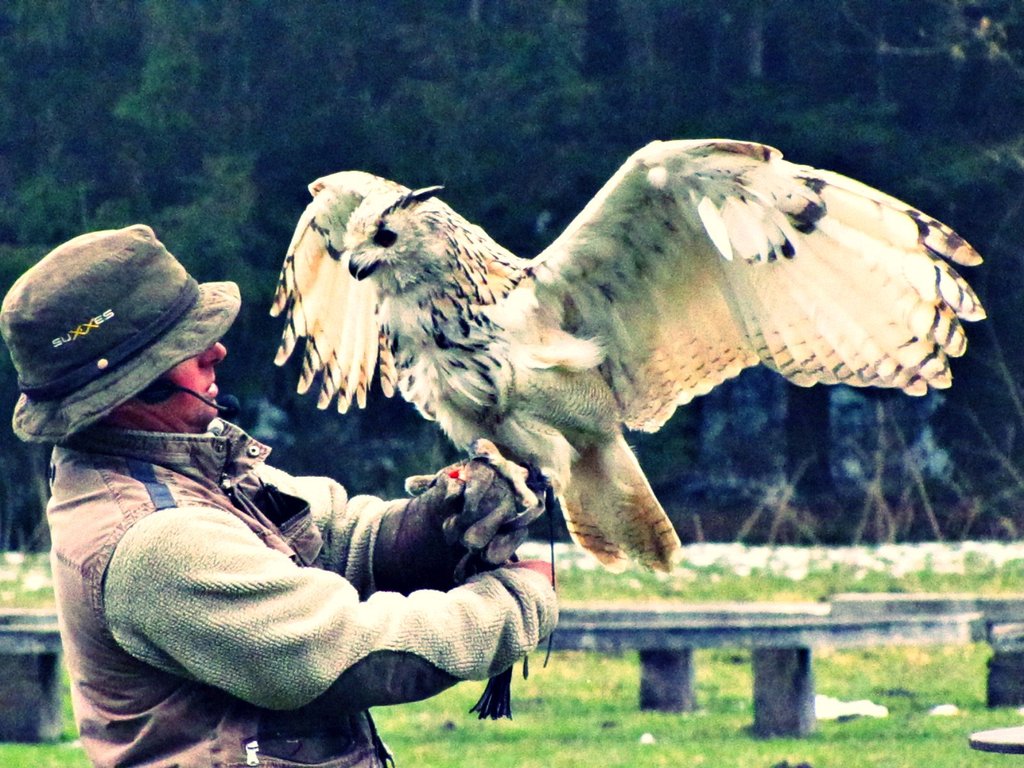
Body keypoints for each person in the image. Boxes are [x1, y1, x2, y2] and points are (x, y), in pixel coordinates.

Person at [0, 224, 558, 768]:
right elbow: (343, 653)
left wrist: (444, 515)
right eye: (184, 345)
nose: (215, 350)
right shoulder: (156, 536)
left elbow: (338, 539)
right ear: (126, 387)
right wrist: (517, 599)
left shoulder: (188, 469)